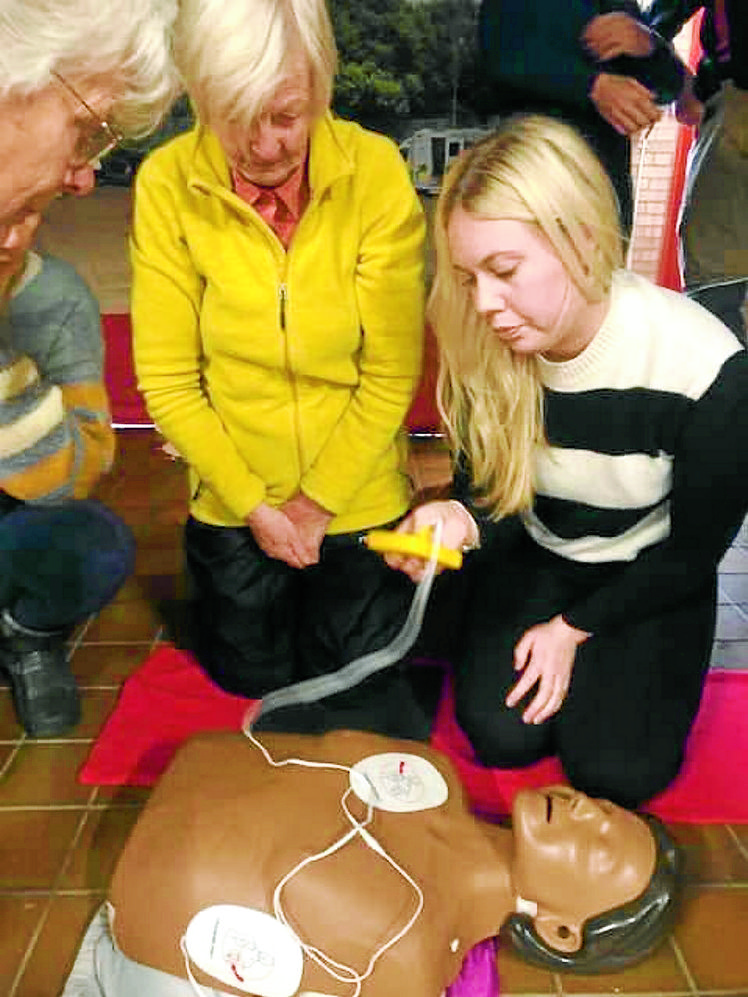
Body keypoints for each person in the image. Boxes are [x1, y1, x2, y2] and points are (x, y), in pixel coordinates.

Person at [384, 115, 748, 809]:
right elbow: (490, 496)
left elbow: (693, 556)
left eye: (505, 271)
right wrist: (456, 515)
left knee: (614, 772)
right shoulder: (482, 344)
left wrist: (573, 630)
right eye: (467, 277)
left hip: (653, 574)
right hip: (542, 550)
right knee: (499, 733)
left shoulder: (706, 370)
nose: (484, 304)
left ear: (581, 240)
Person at [130, 0, 433, 736]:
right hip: (239, 500)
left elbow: (391, 372)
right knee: (247, 677)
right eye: (238, 117)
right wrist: (258, 507)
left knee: (354, 684)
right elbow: (169, 380)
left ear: (321, 90)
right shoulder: (167, 183)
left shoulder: (375, 170)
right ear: (202, 99)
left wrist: (320, 502)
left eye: (288, 116)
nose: (265, 146)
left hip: (356, 495)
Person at [60, 728, 682, 997]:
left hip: (155, 919)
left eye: (598, 850)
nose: (587, 813)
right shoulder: (433, 776)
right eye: (605, 809)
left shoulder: (407, 950)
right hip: (163, 869)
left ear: (560, 931)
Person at [0, 0, 179, 736]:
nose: (83, 178)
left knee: (93, 540)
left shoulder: (53, 293)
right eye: (87, 130)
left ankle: (25, 634)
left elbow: (84, 464)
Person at [475, 0, 686, 231]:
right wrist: (590, 85)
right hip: (530, 175)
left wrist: (649, 44)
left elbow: (669, 86)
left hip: (603, 187)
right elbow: (501, 56)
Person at [644, 0, 747, 331]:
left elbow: (655, 25)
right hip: (736, 108)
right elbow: (653, 27)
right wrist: (677, 82)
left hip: (734, 113)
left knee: (718, 279)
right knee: (718, 284)